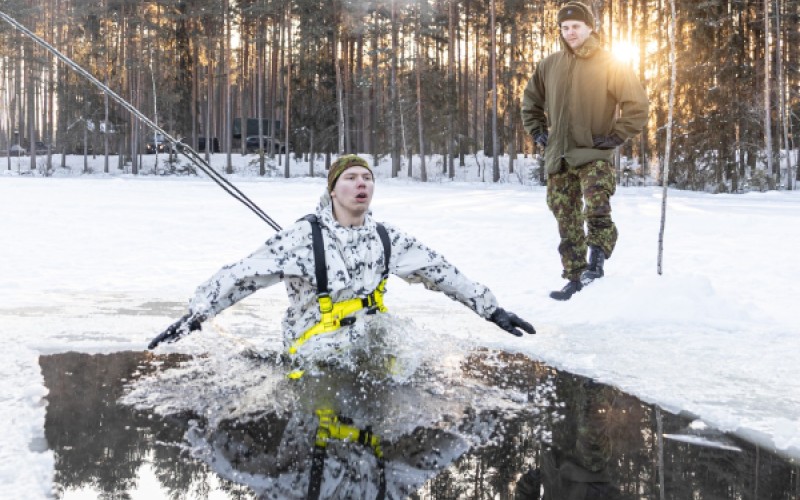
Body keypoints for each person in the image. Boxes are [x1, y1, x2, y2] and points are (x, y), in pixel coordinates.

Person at [152, 154, 534, 375]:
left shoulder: (387, 238)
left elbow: (440, 270)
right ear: (333, 189)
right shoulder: (303, 238)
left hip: (371, 338)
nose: (361, 183)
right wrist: (196, 315)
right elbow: (242, 275)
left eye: (367, 177)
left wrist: (491, 309)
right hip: (314, 350)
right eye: (350, 177)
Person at [521, 1, 649, 301]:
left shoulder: (610, 63)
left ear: (590, 27)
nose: (570, 33)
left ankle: (596, 264)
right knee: (564, 217)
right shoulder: (549, 65)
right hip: (559, 156)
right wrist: (538, 130)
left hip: (592, 153)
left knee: (596, 207)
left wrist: (616, 135)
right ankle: (575, 277)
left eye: (576, 26)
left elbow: (637, 105)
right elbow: (530, 103)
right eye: (564, 28)